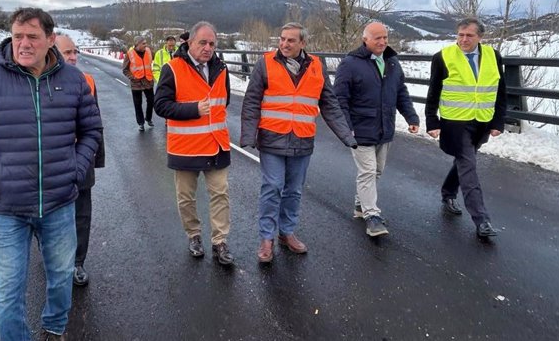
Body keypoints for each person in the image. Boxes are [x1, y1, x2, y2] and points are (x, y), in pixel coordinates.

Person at [0, 8, 103, 341]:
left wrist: (76, 170)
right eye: (18, 36)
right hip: (7, 209)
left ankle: (54, 328)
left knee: (62, 277)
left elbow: (92, 130)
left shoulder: (73, 81)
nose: (23, 44)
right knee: (8, 289)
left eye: (32, 37)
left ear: (50, 40)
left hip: (60, 202)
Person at [240, 22, 357, 263]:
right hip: (272, 138)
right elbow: (251, 101)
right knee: (272, 187)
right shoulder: (265, 64)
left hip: (302, 140)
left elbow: (330, 104)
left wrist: (347, 135)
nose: (284, 44)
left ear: (303, 43)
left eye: (290, 40)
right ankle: (266, 238)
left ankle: (287, 232)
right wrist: (248, 136)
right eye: (281, 39)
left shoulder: (317, 66)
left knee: (293, 190)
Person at [154, 21, 235, 266]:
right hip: (186, 147)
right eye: (203, 43)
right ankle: (194, 235)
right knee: (186, 198)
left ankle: (220, 241)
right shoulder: (173, 68)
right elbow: (160, 105)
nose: (208, 48)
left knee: (220, 194)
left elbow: (225, 101)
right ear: (190, 42)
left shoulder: (221, 69)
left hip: (215, 144)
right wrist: (193, 109)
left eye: (212, 43)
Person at [333, 22, 420, 237]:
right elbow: (340, 99)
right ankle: (372, 215)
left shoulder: (392, 62)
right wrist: (346, 127)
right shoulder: (350, 64)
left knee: (377, 171)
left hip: (384, 127)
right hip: (360, 129)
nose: (382, 42)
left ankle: (361, 205)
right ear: (365, 40)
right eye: (377, 38)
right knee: (368, 171)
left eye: (385, 38)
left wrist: (411, 116)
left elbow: (401, 92)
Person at [425, 17, 506, 238]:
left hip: (482, 121)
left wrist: (499, 121)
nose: (463, 39)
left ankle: (448, 192)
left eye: (469, 35)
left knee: (464, 162)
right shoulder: (442, 57)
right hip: (455, 123)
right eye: (460, 35)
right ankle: (482, 220)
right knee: (468, 166)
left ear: (480, 37)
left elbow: (500, 91)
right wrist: (432, 121)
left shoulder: (493, 56)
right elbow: (433, 92)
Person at [54, 34, 105, 286]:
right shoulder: (36, 81)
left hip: (80, 160)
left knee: (81, 214)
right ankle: (53, 259)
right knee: (51, 216)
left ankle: (77, 262)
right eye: (67, 53)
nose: (73, 57)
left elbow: (94, 124)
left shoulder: (87, 81)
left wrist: (96, 159)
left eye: (75, 52)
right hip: (49, 163)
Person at [122, 36, 155, 131]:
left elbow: (156, 59)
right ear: (137, 44)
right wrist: (132, 77)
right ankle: (141, 123)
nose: (146, 45)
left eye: (146, 43)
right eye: (143, 43)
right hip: (136, 83)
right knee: (138, 104)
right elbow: (125, 69)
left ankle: (148, 118)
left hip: (148, 81)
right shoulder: (130, 54)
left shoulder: (149, 51)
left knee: (151, 101)